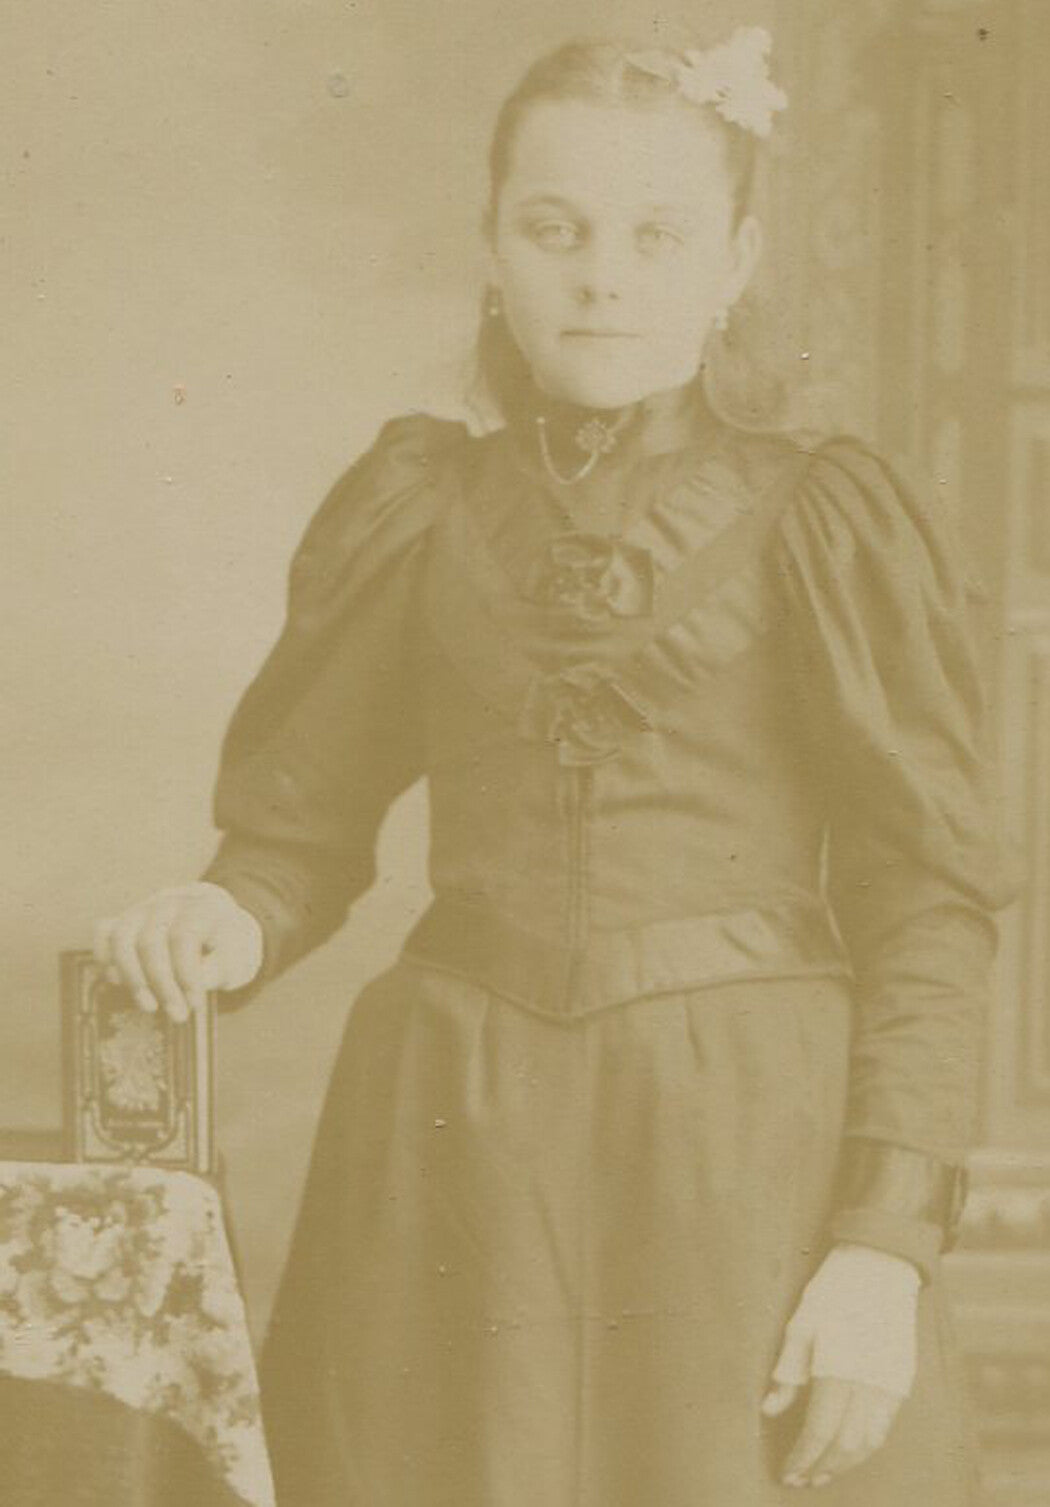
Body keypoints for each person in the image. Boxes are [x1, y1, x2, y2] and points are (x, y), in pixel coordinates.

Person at [93, 23, 1018, 1506]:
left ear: (732, 261)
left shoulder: (819, 516)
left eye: (656, 234)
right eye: (556, 227)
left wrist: (876, 1245)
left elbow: (927, 908)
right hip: (453, 1148)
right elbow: (299, 837)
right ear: (495, 248)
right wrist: (231, 916)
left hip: (745, 1160)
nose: (602, 275)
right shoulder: (417, 503)